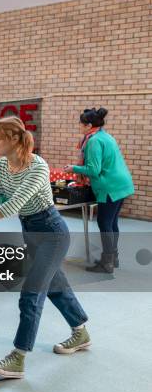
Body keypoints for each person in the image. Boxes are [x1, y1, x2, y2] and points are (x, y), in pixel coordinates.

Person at [0, 117, 90, 379]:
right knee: (54, 286)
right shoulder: (1, 166)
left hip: (52, 233)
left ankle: (18, 358)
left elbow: (12, 206)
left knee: (32, 293)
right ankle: (81, 331)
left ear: (14, 139)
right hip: (31, 231)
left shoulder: (37, 167)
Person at [65, 108, 134, 273]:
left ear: (89, 125)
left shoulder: (94, 141)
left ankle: (107, 263)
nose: (79, 126)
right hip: (121, 184)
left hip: (109, 186)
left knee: (104, 223)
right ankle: (113, 257)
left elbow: (93, 169)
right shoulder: (105, 135)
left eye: (80, 124)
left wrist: (73, 168)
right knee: (111, 222)